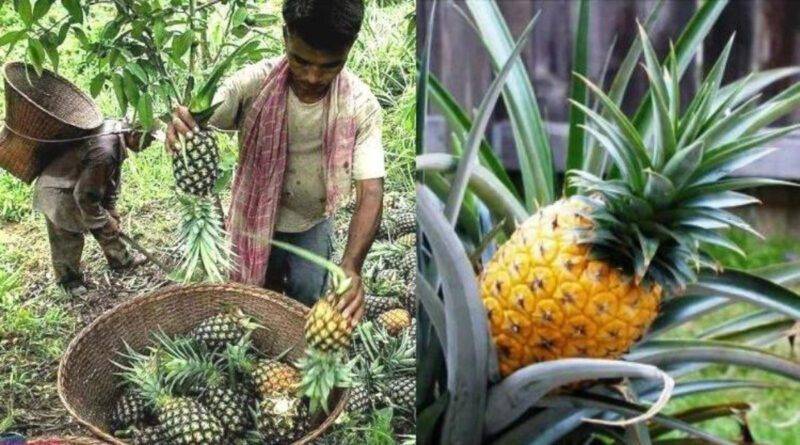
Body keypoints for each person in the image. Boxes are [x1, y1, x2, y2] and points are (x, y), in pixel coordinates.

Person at [165, 0, 382, 327]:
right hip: (253, 223)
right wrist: (183, 121)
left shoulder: (359, 106)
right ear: (285, 36)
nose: (312, 76)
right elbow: (203, 115)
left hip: (312, 222)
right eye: (301, 60)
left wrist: (351, 265)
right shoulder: (254, 85)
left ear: (349, 48)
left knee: (306, 296)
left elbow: (371, 190)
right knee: (252, 297)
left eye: (329, 66)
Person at [33, 120, 154, 296]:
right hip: (58, 190)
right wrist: (104, 218)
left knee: (104, 223)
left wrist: (110, 209)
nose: (148, 146)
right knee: (67, 237)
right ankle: (69, 282)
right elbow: (85, 196)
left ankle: (120, 260)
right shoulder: (105, 152)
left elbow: (110, 177)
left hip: (78, 182)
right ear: (134, 134)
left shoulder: (115, 134)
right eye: (148, 141)